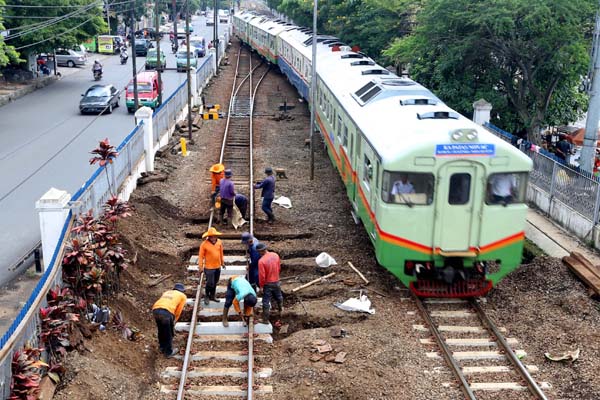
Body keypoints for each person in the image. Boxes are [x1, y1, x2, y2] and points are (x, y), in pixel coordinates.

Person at [152, 283, 187, 357]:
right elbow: (179, 310)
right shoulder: (182, 296)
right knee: (168, 332)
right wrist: (175, 320)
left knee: (161, 329)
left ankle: (162, 347)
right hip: (167, 312)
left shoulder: (167, 292)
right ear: (182, 290)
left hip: (155, 309)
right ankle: (168, 352)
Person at [257, 243, 283, 323]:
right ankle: (281, 310)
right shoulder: (275, 255)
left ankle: (265, 319)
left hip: (268, 284)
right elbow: (279, 267)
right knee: (279, 296)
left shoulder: (261, 261)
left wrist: (261, 287)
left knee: (266, 301)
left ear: (261, 251)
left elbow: (262, 276)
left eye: (258, 252)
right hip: (276, 281)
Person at [198, 227, 224, 305]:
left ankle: (212, 295)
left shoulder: (219, 242)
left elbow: (221, 253)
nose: (213, 238)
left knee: (215, 282)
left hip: (217, 266)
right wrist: (200, 266)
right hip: (209, 267)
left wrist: (222, 262)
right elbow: (201, 256)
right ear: (209, 237)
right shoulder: (204, 244)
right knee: (210, 283)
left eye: (214, 236)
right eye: (211, 236)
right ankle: (207, 295)